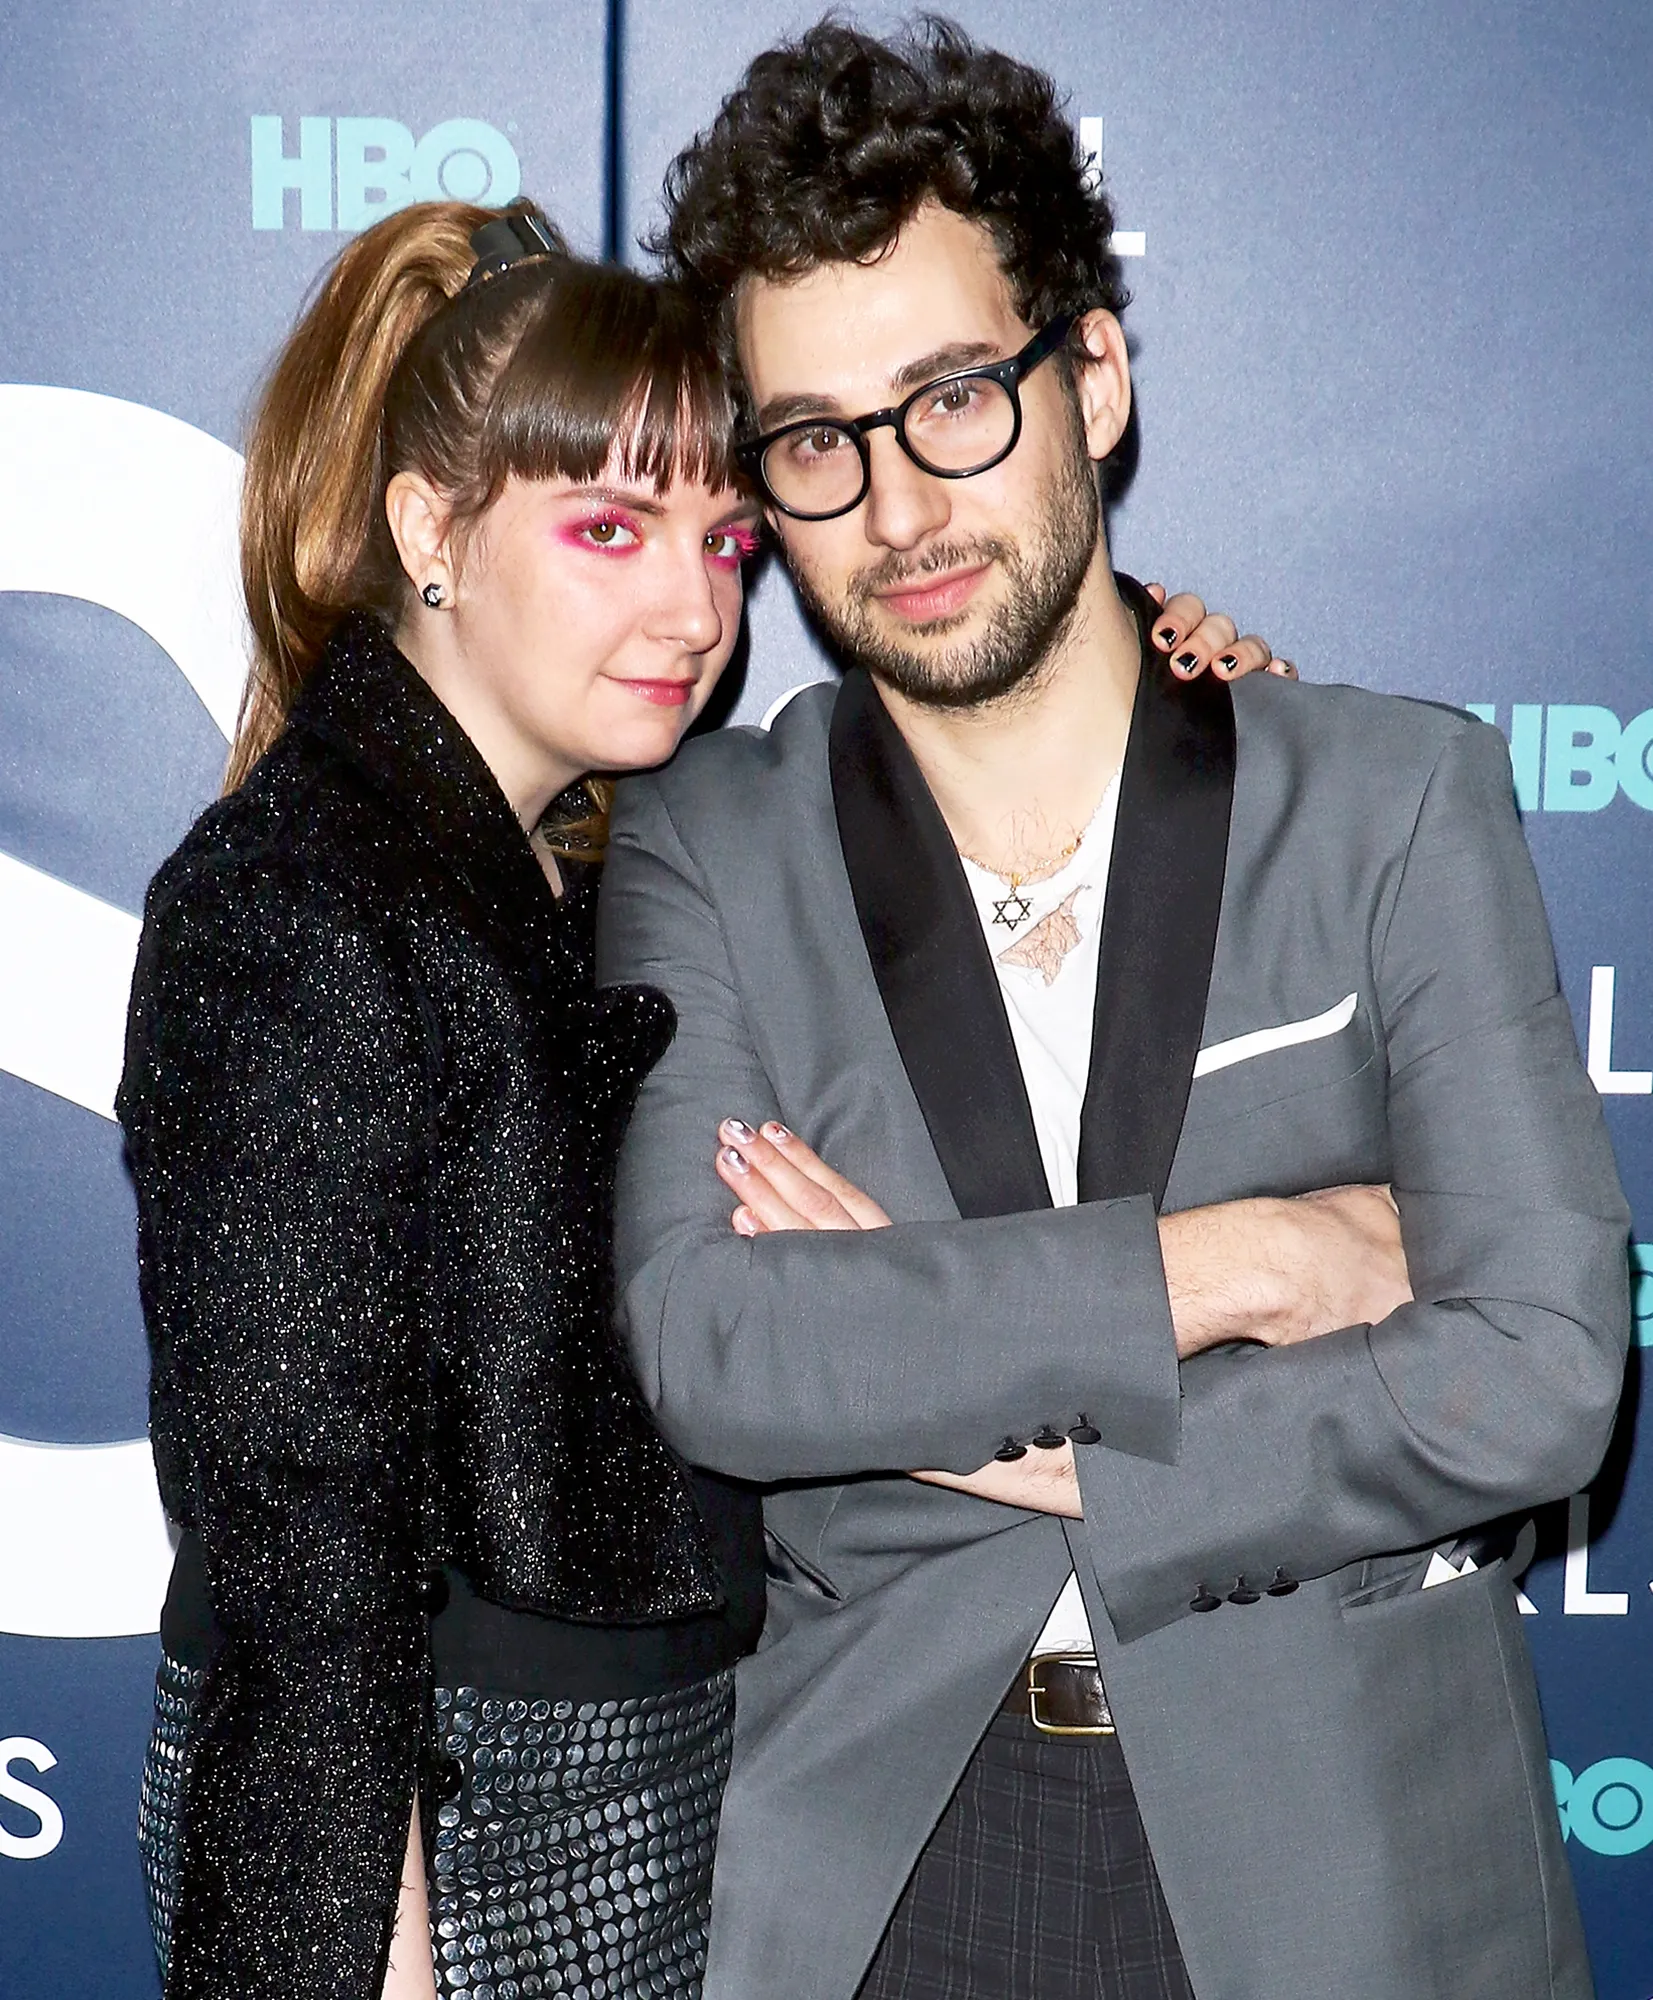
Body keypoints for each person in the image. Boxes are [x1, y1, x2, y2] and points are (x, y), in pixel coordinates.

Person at [115, 193, 1263, 2000]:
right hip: (446, 1845)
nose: (692, 609)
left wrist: (1173, 674)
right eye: (608, 528)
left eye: (725, 542)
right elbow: (303, 1577)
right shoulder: (296, 904)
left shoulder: (590, 872)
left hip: (648, 1803)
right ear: (428, 533)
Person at [599, 20, 1633, 2000]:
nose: (897, 508)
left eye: (951, 400)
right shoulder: (705, 840)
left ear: (1090, 376)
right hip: (895, 1852)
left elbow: (1544, 1368)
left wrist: (1044, 1436)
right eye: (816, 441)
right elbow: (719, 1343)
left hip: (1344, 1849)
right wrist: (1256, 1262)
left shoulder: (1390, 794)